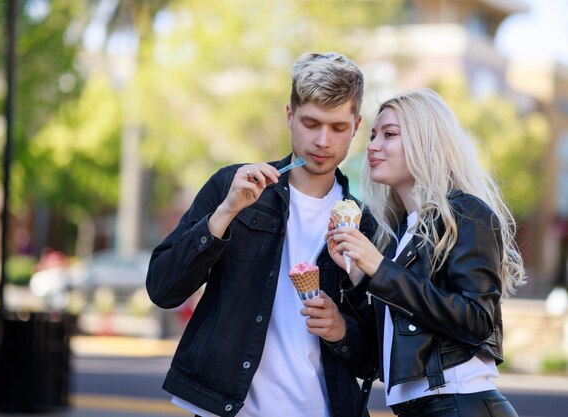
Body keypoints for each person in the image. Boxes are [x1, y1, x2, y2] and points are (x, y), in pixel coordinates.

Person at [146, 52, 377, 417]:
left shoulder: (367, 223)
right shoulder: (233, 187)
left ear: (356, 125)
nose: (322, 141)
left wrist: (341, 331)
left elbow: (375, 360)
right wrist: (225, 213)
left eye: (337, 128)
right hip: (230, 409)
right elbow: (163, 289)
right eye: (310, 123)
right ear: (289, 115)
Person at [325, 88, 526, 416]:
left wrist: (380, 269)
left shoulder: (466, 214)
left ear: (426, 140)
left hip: (459, 403)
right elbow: (394, 347)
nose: (373, 146)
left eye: (389, 134)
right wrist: (360, 278)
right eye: (373, 135)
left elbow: (476, 319)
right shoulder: (399, 235)